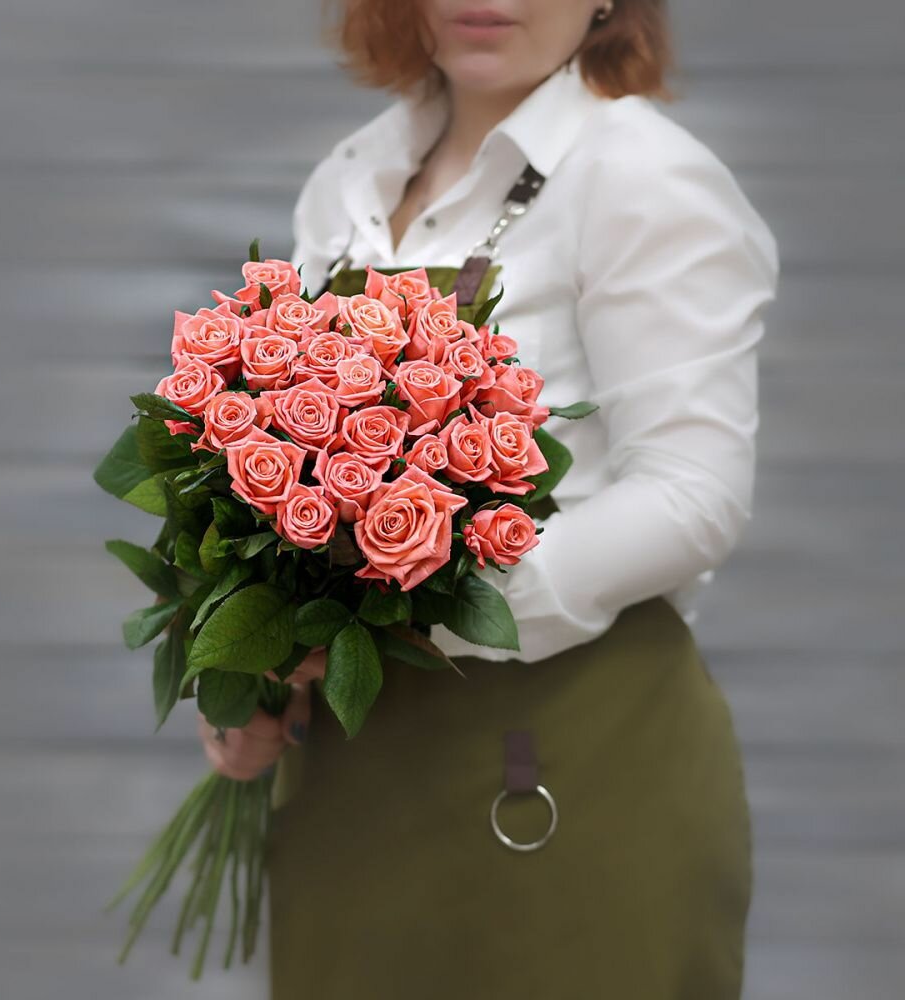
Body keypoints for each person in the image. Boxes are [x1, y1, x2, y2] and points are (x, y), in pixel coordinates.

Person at [198, 1, 780, 996]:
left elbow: (692, 495)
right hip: (353, 777)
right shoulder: (354, 177)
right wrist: (253, 667)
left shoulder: (640, 176)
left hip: (571, 762)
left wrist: (427, 612)